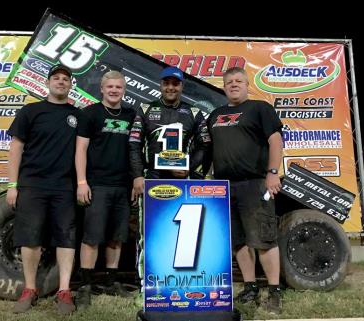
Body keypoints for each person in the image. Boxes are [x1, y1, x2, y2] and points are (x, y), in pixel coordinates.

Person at [129, 66, 211, 301]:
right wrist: (137, 175)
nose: (170, 88)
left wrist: (188, 168)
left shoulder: (194, 112)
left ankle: (178, 278)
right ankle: (146, 283)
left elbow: (205, 144)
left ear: (181, 86)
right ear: (160, 85)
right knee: (149, 231)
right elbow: (134, 144)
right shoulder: (145, 109)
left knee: (180, 231)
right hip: (152, 179)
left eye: (175, 84)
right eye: (166, 83)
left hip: (183, 181)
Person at [206, 67, 283, 314]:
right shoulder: (215, 115)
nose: (234, 84)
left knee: (263, 239)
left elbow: (275, 141)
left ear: (247, 84)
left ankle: (274, 292)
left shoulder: (260, 108)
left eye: (239, 81)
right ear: (224, 86)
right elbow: (209, 151)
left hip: (255, 183)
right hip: (224, 187)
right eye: (229, 82)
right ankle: (250, 287)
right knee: (238, 241)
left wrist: (272, 173)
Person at [6, 64, 78, 315]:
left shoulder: (77, 115)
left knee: (66, 238)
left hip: (65, 187)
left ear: (71, 85)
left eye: (65, 79)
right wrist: (12, 185)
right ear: (48, 83)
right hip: (32, 184)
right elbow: (16, 148)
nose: (60, 82)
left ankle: (65, 291)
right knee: (31, 238)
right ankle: (29, 289)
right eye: (56, 78)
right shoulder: (30, 111)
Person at [75, 71, 136, 309]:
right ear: (102, 89)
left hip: (122, 185)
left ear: (124, 90)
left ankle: (112, 282)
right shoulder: (89, 113)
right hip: (97, 184)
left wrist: (133, 182)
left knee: (116, 237)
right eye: (110, 86)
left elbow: (136, 150)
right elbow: (80, 150)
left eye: (118, 87)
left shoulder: (131, 115)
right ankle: (85, 285)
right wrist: (82, 182)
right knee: (91, 237)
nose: (114, 90)